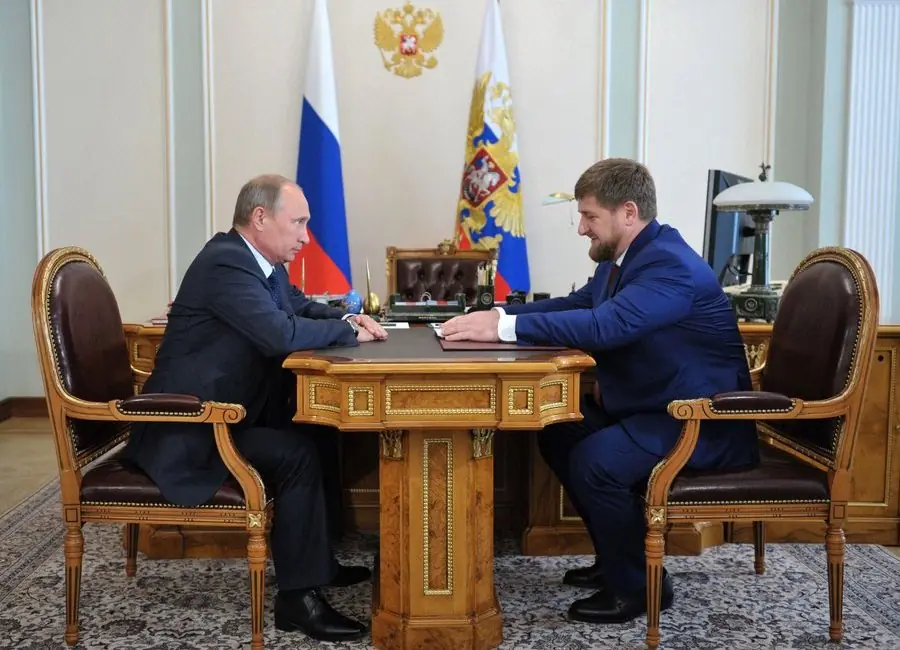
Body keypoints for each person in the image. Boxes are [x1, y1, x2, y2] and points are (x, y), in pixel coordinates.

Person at [440, 158, 759, 624]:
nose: (582, 228)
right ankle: (617, 558)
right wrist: (497, 316)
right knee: (560, 431)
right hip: (656, 409)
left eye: (589, 216)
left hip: (698, 421)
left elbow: (607, 325)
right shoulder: (626, 260)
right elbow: (578, 304)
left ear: (628, 212)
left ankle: (639, 588)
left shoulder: (669, 264)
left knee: (596, 462)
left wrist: (503, 330)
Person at [124, 174, 387, 642]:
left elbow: (298, 307)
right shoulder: (226, 263)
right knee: (296, 454)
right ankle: (297, 602)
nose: (306, 237)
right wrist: (349, 333)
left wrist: (350, 317)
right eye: (298, 222)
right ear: (260, 218)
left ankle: (317, 565)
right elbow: (279, 333)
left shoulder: (261, 263)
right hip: (189, 427)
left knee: (317, 430)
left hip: (230, 412)